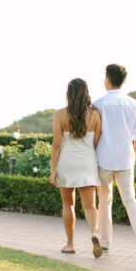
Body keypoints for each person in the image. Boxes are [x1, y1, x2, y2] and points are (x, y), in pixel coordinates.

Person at [94, 63, 136, 256]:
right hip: (126, 159)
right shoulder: (135, 104)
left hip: (103, 160)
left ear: (108, 80)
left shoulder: (98, 104)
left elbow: (93, 134)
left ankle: (105, 243)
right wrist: (132, 159)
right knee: (130, 199)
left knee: (104, 201)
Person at [49, 78, 103, 257]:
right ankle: (94, 233)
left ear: (69, 94)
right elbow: (96, 142)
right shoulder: (95, 115)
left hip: (66, 163)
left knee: (68, 204)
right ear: (86, 93)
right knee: (90, 206)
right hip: (87, 162)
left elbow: (57, 144)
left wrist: (53, 170)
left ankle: (70, 244)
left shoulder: (59, 115)